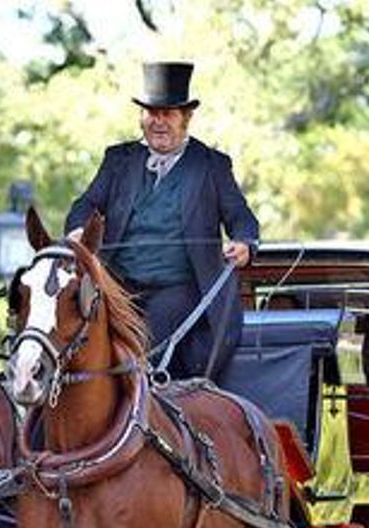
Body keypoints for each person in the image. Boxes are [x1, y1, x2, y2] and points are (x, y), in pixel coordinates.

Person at [64, 60, 259, 382]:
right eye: (152, 113)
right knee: (69, 325)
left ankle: (143, 399)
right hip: (117, 284)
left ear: (186, 118)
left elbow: (240, 216)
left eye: (168, 114)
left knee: (148, 335)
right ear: (141, 118)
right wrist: (77, 230)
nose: (159, 122)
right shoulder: (118, 159)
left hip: (179, 287)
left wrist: (244, 244)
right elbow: (87, 204)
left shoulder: (211, 165)